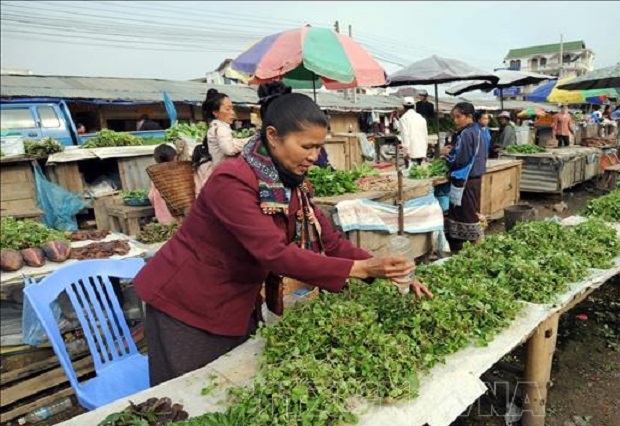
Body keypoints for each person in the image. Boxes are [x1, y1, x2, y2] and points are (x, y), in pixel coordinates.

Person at [134, 82, 433, 385]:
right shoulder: (232, 180)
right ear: (273, 137)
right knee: (188, 402)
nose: (315, 156)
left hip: (235, 301)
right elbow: (274, 253)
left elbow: (329, 241)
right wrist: (361, 269)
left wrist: (393, 270)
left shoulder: (291, 184)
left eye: (319, 147)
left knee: (230, 392)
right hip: (187, 304)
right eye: (307, 147)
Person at [440, 102, 488, 254]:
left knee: (467, 215)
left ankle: (478, 247)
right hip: (474, 178)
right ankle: (465, 248)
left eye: (458, 117)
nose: (455, 120)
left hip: (465, 178)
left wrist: (446, 154)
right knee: (468, 211)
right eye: (454, 117)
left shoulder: (467, 133)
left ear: (469, 116)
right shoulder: (479, 130)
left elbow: (460, 158)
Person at [194, 88, 250, 194]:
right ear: (215, 112)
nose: (232, 113)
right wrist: (250, 141)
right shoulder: (220, 128)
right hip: (225, 176)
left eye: (232, 109)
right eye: (228, 109)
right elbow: (229, 149)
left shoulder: (217, 127)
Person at [148, 144, 179, 225]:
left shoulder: (155, 176)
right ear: (175, 158)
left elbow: (151, 196)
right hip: (180, 220)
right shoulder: (179, 173)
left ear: (156, 160)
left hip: (162, 218)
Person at [398, 96, 428, 168]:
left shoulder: (404, 119)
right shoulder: (421, 118)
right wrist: (425, 148)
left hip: (411, 151)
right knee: (419, 170)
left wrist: (407, 151)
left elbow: (405, 135)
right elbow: (425, 134)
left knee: (411, 171)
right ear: (414, 106)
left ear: (404, 107)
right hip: (421, 149)